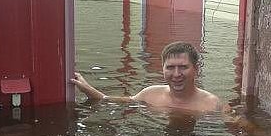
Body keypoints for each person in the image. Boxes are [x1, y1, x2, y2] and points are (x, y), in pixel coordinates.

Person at [71, 41, 222, 113]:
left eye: (183, 67)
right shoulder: (150, 94)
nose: (176, 74)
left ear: (195, 69)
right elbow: (108, 100)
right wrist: (87, 89)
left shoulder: (212, 104)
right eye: (170, 67)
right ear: (163, 69)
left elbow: (234, 126)